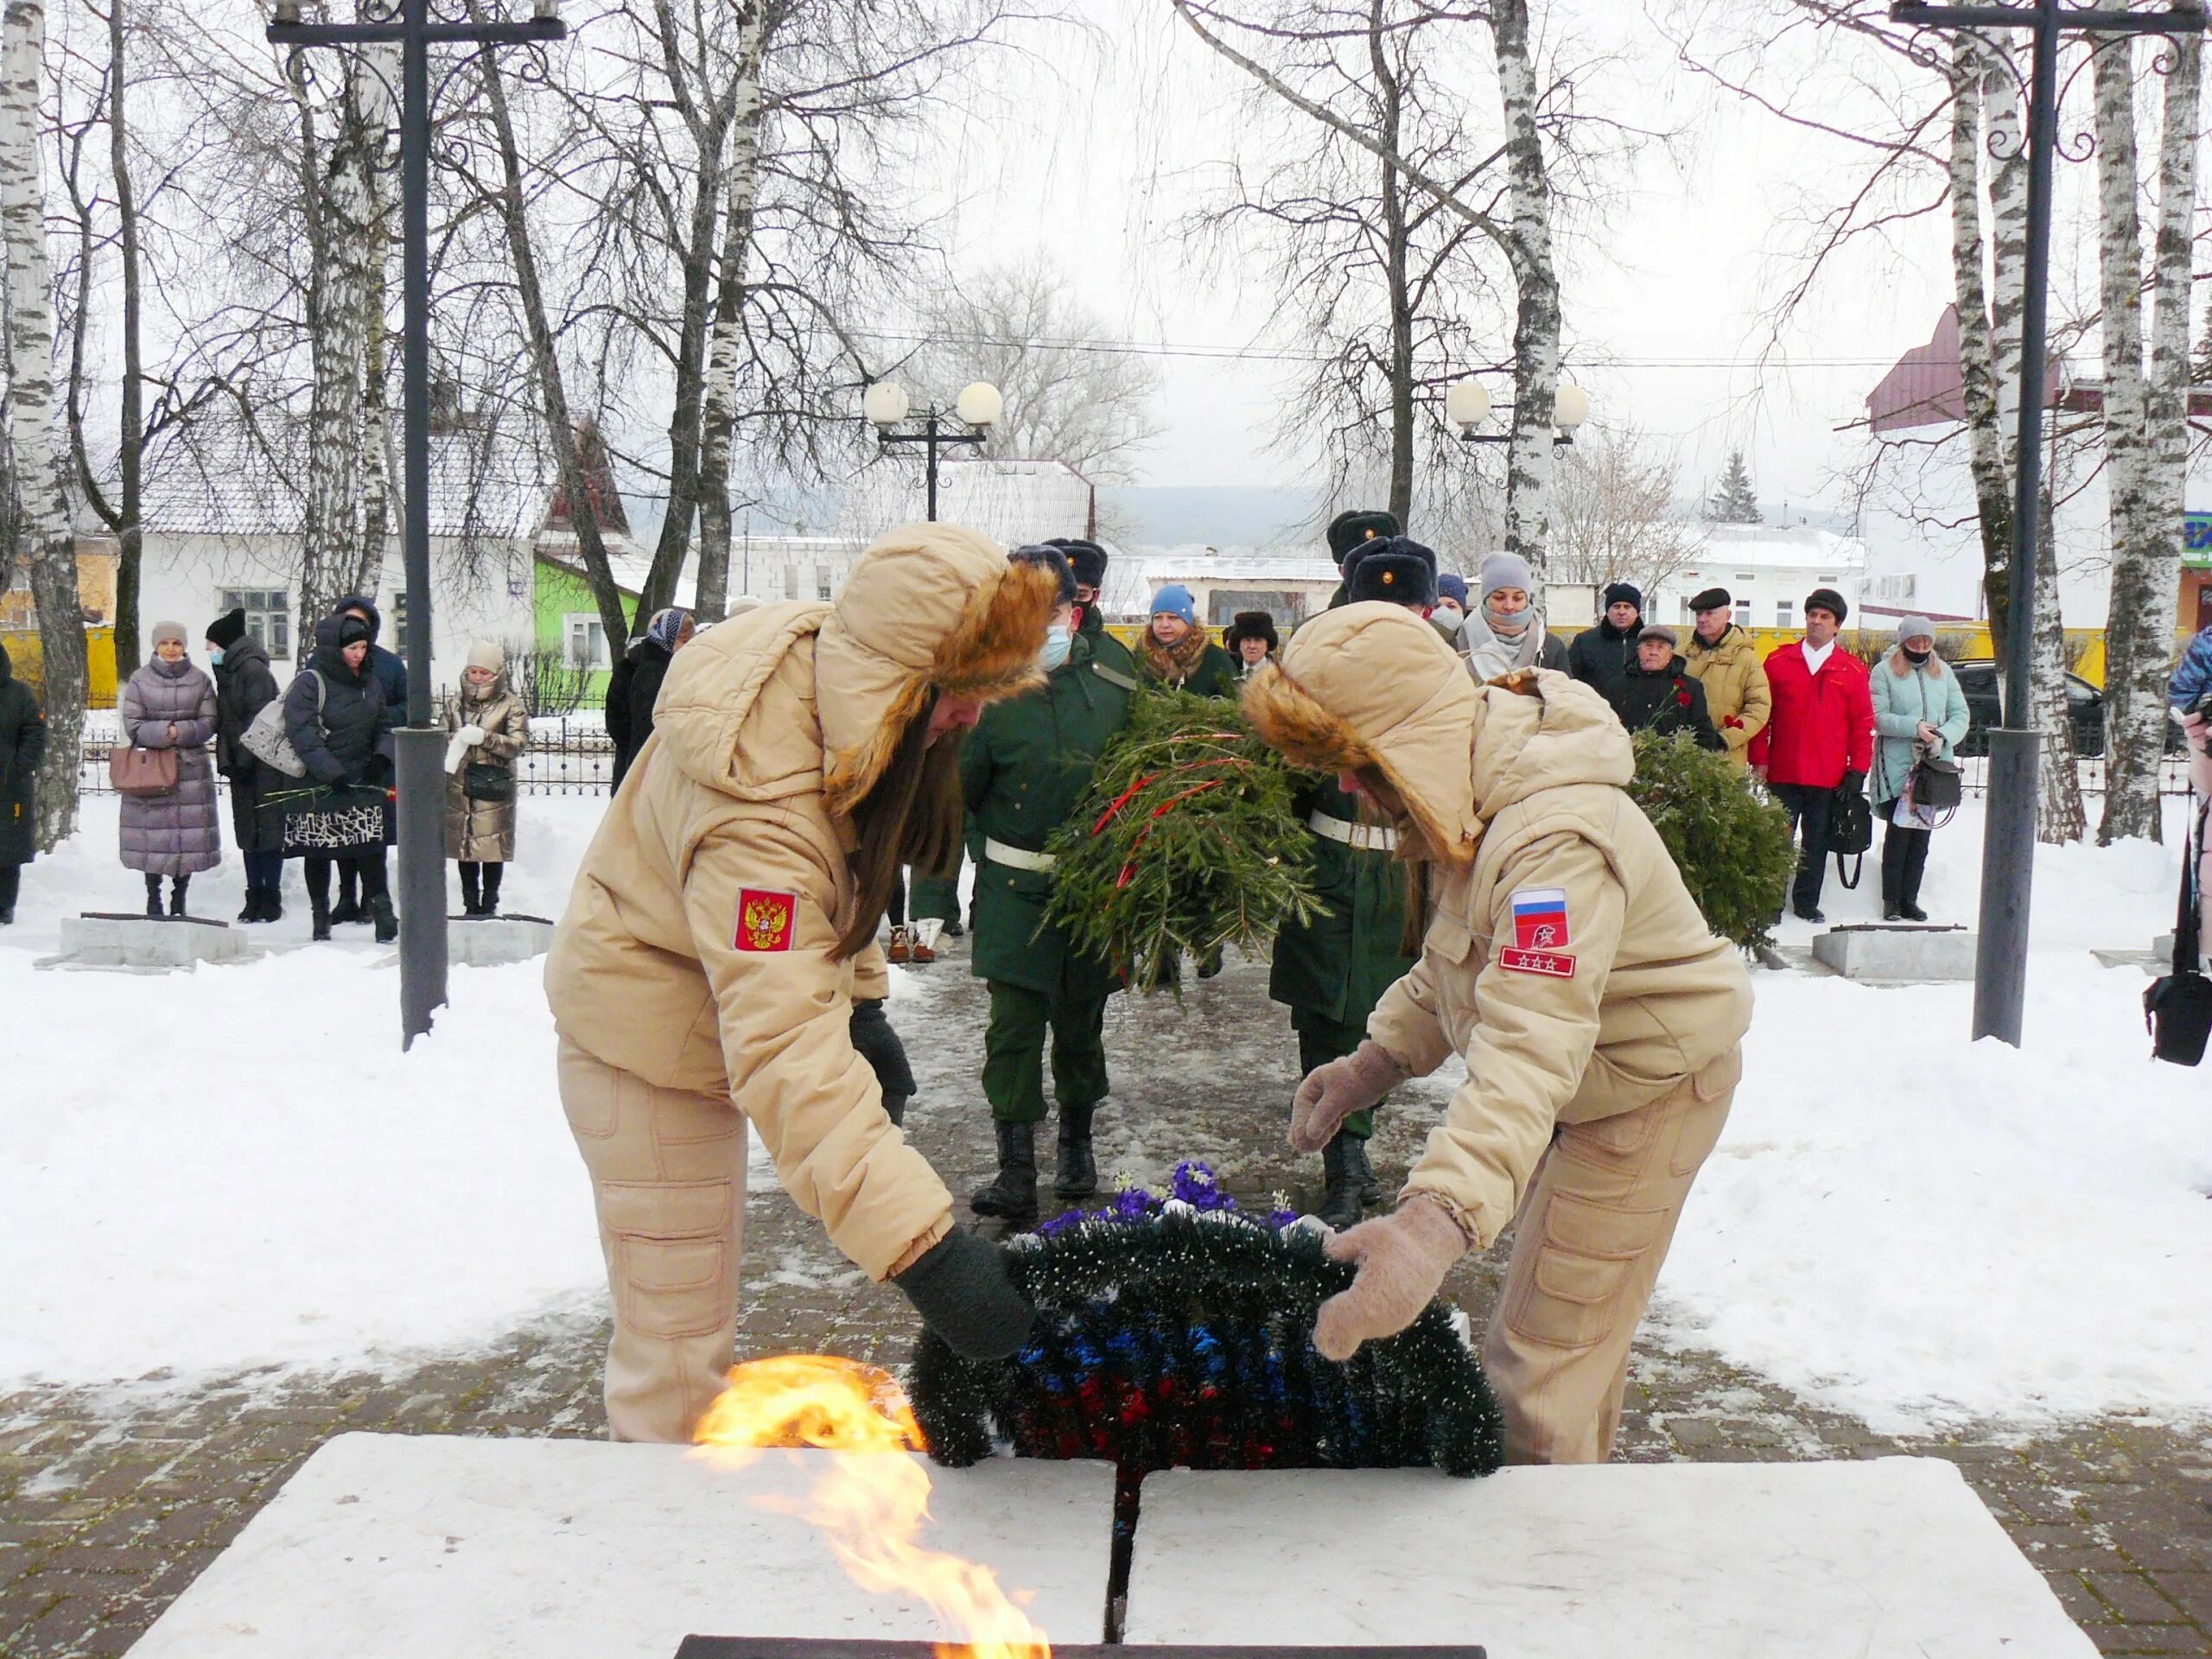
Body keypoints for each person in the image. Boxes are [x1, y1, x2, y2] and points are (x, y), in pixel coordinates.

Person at [543, 523, 1053, 1443]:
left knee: (693, 1314)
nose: (972, 720)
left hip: (720, 1010)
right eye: (959, 696)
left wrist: (861, 1007)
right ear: (897, 677)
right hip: (645, 1045)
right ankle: (655, 1546)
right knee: (676, 1345)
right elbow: (782, 1048)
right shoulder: (756, 815)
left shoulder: (837, 690)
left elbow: (846, 864)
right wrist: (927, 1253)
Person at [1242, 604, 1753, 1465]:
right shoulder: (1487, 788)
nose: (1345, 791)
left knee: (1535, 1378)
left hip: (1644, 1096)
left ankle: (1541, 1581)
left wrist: (1431, 1222)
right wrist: (1376, 1060)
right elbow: (1461, 959)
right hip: (1598, 1081)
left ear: (1407, 742)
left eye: (1356, 767)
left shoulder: (1554, 846)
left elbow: (1530, 1043)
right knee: (1570, 1349)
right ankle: (1569, 1518)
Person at [1268, 534, 1439, 1230]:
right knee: (1324, 1014)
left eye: (1409, 608)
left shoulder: (1449, 684)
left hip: (1405, 878)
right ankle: (1343, 1165)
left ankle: (1356, 1147)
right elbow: (1275, 783)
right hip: (1328, 871)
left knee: (1388, 1016)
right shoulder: (1315, 684)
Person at [962, 546, 1135, 1219]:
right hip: (1012, 890)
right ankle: (1014, 1165)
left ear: (1075, 607)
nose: (1046, 627)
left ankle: (1076, 1144)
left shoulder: (1117, 677)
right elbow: (957, 797)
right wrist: (933, 899)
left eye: (1055, 611)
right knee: (1012, 1029)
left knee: (1081, 1022)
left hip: (1090, 895)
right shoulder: (986, 686)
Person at [1748, 588, 1874, 925]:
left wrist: (1857, 770)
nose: (1816, 622)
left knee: (1815, 843)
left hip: (1828, 775)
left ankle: (1806, 901)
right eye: (1812, 616)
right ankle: (1769, 903)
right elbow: (1762, 716)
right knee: (1778, 838)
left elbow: (1862, 724)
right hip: (1783, 770)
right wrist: (1759, 758)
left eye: (1824, 618)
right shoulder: (1778, 661)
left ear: (1837, 627)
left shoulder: (1852, 670)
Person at [288, 613, 398, 943]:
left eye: (364, 647)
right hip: (322, 780)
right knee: (318, 849)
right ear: (334, 648)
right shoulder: (311, 681)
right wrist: (330, 771)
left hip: (363, 777)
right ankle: (320, 917)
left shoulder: (370, 681)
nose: (359, 654)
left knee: (370, 847)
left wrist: (382, 755)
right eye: (352, 647)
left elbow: (384, 722)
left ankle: (382, 912)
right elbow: (301, 731)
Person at [118, 621, 222, 918]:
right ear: (156, 646)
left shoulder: (200, 680)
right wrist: (167, 733)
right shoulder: (140, 680)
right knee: (152, 840)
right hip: (152, 770)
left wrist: (182, 732)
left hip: (191, 772)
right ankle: (153, 897)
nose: (171, 649)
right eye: (165, 643)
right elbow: (133, 724)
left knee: (185, 840)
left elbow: (209, 721)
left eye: (177, 643)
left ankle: (180, 898)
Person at [1870, 616, 1968, 924]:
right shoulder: (1884, 671)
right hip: (1898, 766)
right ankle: (1892, 900)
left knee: (1921, 838)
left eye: (1927, 640)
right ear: (1904, 641)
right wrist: (1914, 726)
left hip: (1931, 768)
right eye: (1915, 640)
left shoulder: (1944, 672)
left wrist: (1943, 736)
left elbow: (1960, 713)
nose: (1922, 646)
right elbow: (1878, 716)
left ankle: (1910, 898)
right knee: (1899, 834)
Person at [328, 595, 408, 927]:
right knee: (340, 830)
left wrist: (374, 718)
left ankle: (374, 898)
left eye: (361, 621)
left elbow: (407, 707)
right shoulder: (326, 662)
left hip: (377, 759)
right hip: (338, 759)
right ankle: (346, 896)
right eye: (348, 620)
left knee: (373, 832)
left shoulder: (388, 665)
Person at [207, 608, 288, 923]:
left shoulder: (252, 672)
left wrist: (241, 759)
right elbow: (229, 723)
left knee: (268, 831)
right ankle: (254, 894)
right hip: (242, 765)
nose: (209, 652)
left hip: (262, 765)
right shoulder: (229, 673)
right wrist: (230, 761)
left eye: (212, 645)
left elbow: (259, 722)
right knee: (248, 832)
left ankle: (271, 896)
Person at [443, 640, 531, 918]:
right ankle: (470, 904)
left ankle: (489, 903)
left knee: (492, 848)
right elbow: (440, 737)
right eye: (473, 672)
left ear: (496, 673)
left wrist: (485, 738)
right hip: (460, 786)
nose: (478, 678)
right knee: (464, 847)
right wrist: (454, 741)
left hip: (494, 787)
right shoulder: (455, 704)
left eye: (484, 672)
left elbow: (517, 744)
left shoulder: (511, 706)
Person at [1681, 588, 1770, 770]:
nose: (1702, 619)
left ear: (1727, 615)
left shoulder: (1746, 659)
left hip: (1725, 761)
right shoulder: (1682, 654)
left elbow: (1759, 707)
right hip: (1681, 759)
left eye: (1709, 613)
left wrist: (1726, 738)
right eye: (1698, 613)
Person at [605, 607, 695, 787]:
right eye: (682, 640)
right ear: (667, 638)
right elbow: (633, 724)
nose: (686, 647)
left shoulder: (660, 666)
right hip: (648, 770)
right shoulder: (656, 672)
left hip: (634, 765)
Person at [1605, 625, 1725, 751]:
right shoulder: (1617, 686)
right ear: (1638, 650)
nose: (1653, 652)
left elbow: (1703, 734)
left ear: (1670, 655)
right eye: (1648, 645)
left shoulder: (1690, 687)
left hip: (1675, 766)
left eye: (1660, 647)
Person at [1459, 552, 1567, 680]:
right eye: (1499, 597)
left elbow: (1566, 697)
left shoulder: (1550, 647)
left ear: (1527, 600)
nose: (1509, 606)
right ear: (1486, 599)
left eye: (1518, 598)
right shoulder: (1462, 640)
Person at [0, 643, 44, 925]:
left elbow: (35, 732)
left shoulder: (19, 694)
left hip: (10, 785)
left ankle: (4, 905)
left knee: (7, 848)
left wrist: (20, 765)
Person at [1137, 584, 1235, 696]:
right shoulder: (1138, 660)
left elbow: (1236, 705)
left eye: (1173, 617)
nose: (1164, 625)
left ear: (1188, 622)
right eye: (1158, 617)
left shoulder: (1214, 659)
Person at [1567, 582, 1643, 698]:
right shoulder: (1585, 642)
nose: (1621, 612)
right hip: (1595, 711)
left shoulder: (1649, 642)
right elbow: (1569, 680)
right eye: (1616, 606)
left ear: (1637, 612)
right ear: (1608, 611)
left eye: (1627, 607)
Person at [1324, 508, 1400, 607]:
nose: (1371, 572)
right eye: (1358, 564)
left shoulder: (1416, 618)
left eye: (1381, 563)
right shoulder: (1324, 621)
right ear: (1342, 571)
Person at [1224, 610, 1280, 680]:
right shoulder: (1227, 674)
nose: (1252, 646)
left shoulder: (1279, 677)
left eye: (1258, 640)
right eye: (1247, 640)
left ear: (1268, 644)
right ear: (1238, 644)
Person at [1432, 571, 1470, 639]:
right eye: (1436, 606)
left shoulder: (1473, 641)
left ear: (1463, 610)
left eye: (1451, 606)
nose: (1443, 611)